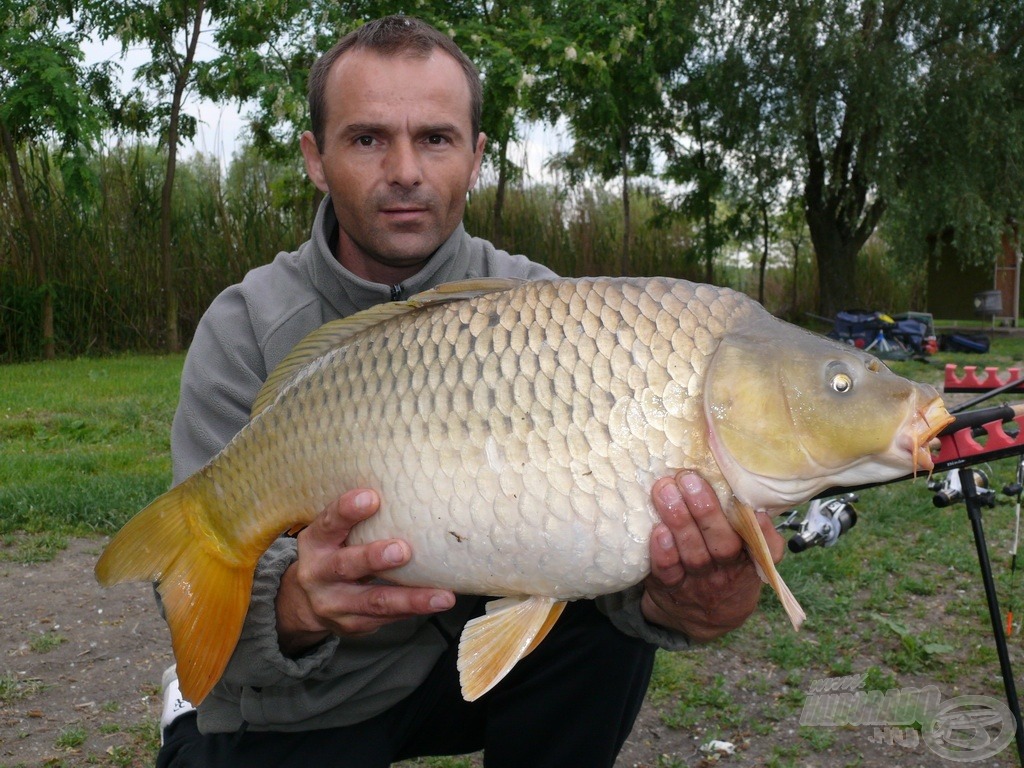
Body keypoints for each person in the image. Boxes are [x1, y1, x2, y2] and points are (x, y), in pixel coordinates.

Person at [156, 15, 785, 768]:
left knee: (603, 640)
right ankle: (187, 725)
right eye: (366, 139)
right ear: (315, 159)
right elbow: (218, 619)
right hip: (314, 699)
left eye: (436, 138)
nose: (405, 170)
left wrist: (694, 599)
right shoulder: (246, 326)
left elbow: (611, 550)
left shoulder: (551, 313)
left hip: (479, 659)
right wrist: (295, 609)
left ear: (476, 156)